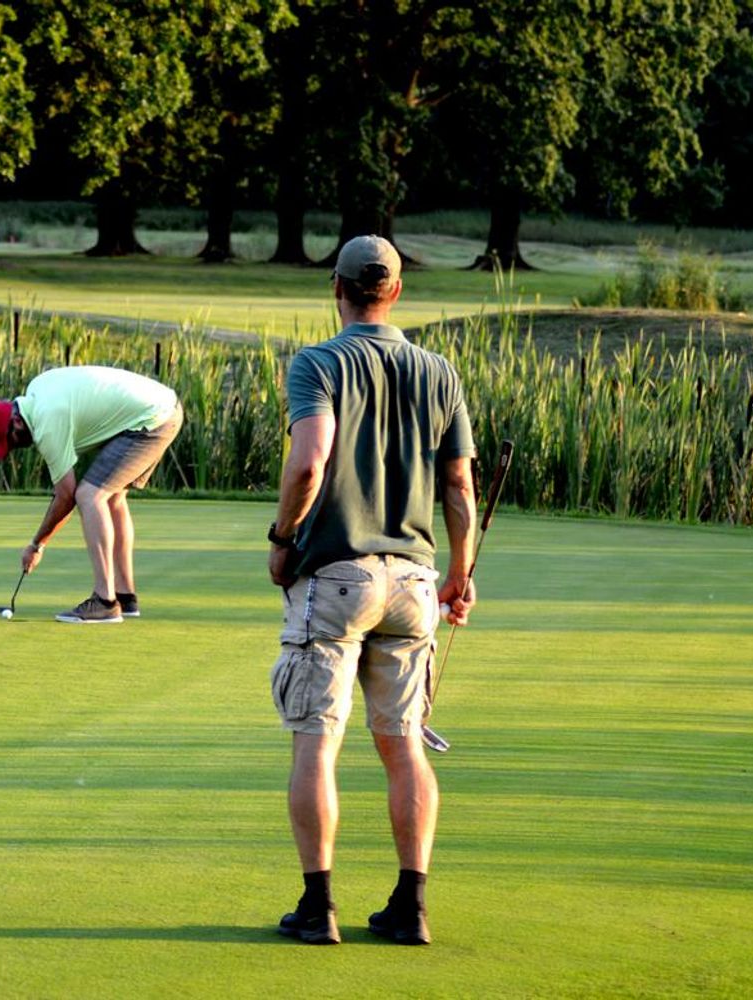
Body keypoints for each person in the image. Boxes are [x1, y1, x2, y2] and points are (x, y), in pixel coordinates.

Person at [266, 235, 476, 946]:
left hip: (336, 576)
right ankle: (410, 906)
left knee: (316, 741)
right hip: (414, 581)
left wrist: (282, 539)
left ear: (337, 287)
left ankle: (318, 905)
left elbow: (308, 462)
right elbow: (458, 487)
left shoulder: (319, 363)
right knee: (403, 745)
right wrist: (460, 572)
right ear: (396, 292)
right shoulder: (439, 371)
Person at [0, 366, 183, 624]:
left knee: (89, 495)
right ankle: (125, 597)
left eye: (11, 442)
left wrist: (37, 545)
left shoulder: (46, 423)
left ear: (17, 422)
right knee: (112, 497)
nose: (15, 448)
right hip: (161, 407)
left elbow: (66, 496)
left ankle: (105, 602)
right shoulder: (37, 389)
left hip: (151, 418)